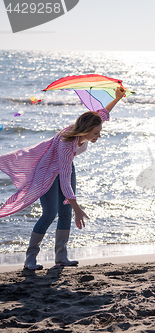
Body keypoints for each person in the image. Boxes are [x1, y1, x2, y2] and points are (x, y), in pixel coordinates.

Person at [0, 88, 126, 270]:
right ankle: (30, 258)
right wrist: (78, 209)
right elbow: (65, 182)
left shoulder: (89, 127)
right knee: (50, 213)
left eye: (99, 132)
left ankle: (61, 256)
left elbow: (103, 114)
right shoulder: (66, 145)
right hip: (47, 172)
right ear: (86, 130)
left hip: (66, 168)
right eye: (96, 133)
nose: (98, 136)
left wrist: (117, 98)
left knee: (65, 213)